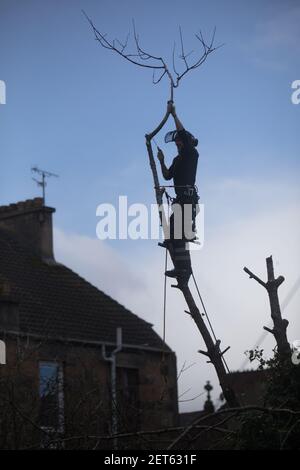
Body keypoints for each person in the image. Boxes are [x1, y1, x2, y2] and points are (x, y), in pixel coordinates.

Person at [157, 101, 199, 285]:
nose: (177, 143)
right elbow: (167, 176)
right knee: (172, 234)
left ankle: (185, 270)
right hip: (181, 201)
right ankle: (181, 268)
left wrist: (173, 114)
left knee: (177, 234)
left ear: (186, 142)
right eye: (176, 142)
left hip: (188, 200)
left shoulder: (191, 153)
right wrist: (161, 161)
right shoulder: (177, 158)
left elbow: (182, 132)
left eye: (179, 141)